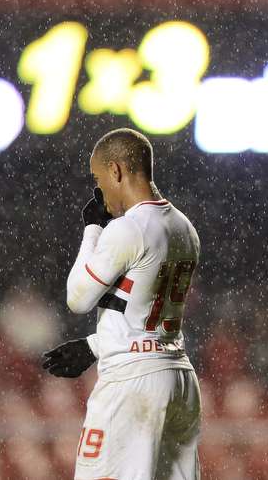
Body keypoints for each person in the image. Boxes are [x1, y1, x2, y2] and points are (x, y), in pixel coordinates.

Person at [42, 128, 202, 480]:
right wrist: (94, 345)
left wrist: (93, 228)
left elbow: (79, 298)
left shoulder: (128, 228)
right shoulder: (184, 227)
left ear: (115, 171)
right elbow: (145, 311)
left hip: (131, 382)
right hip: (178, 377)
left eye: (99, 179)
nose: (99, 190)